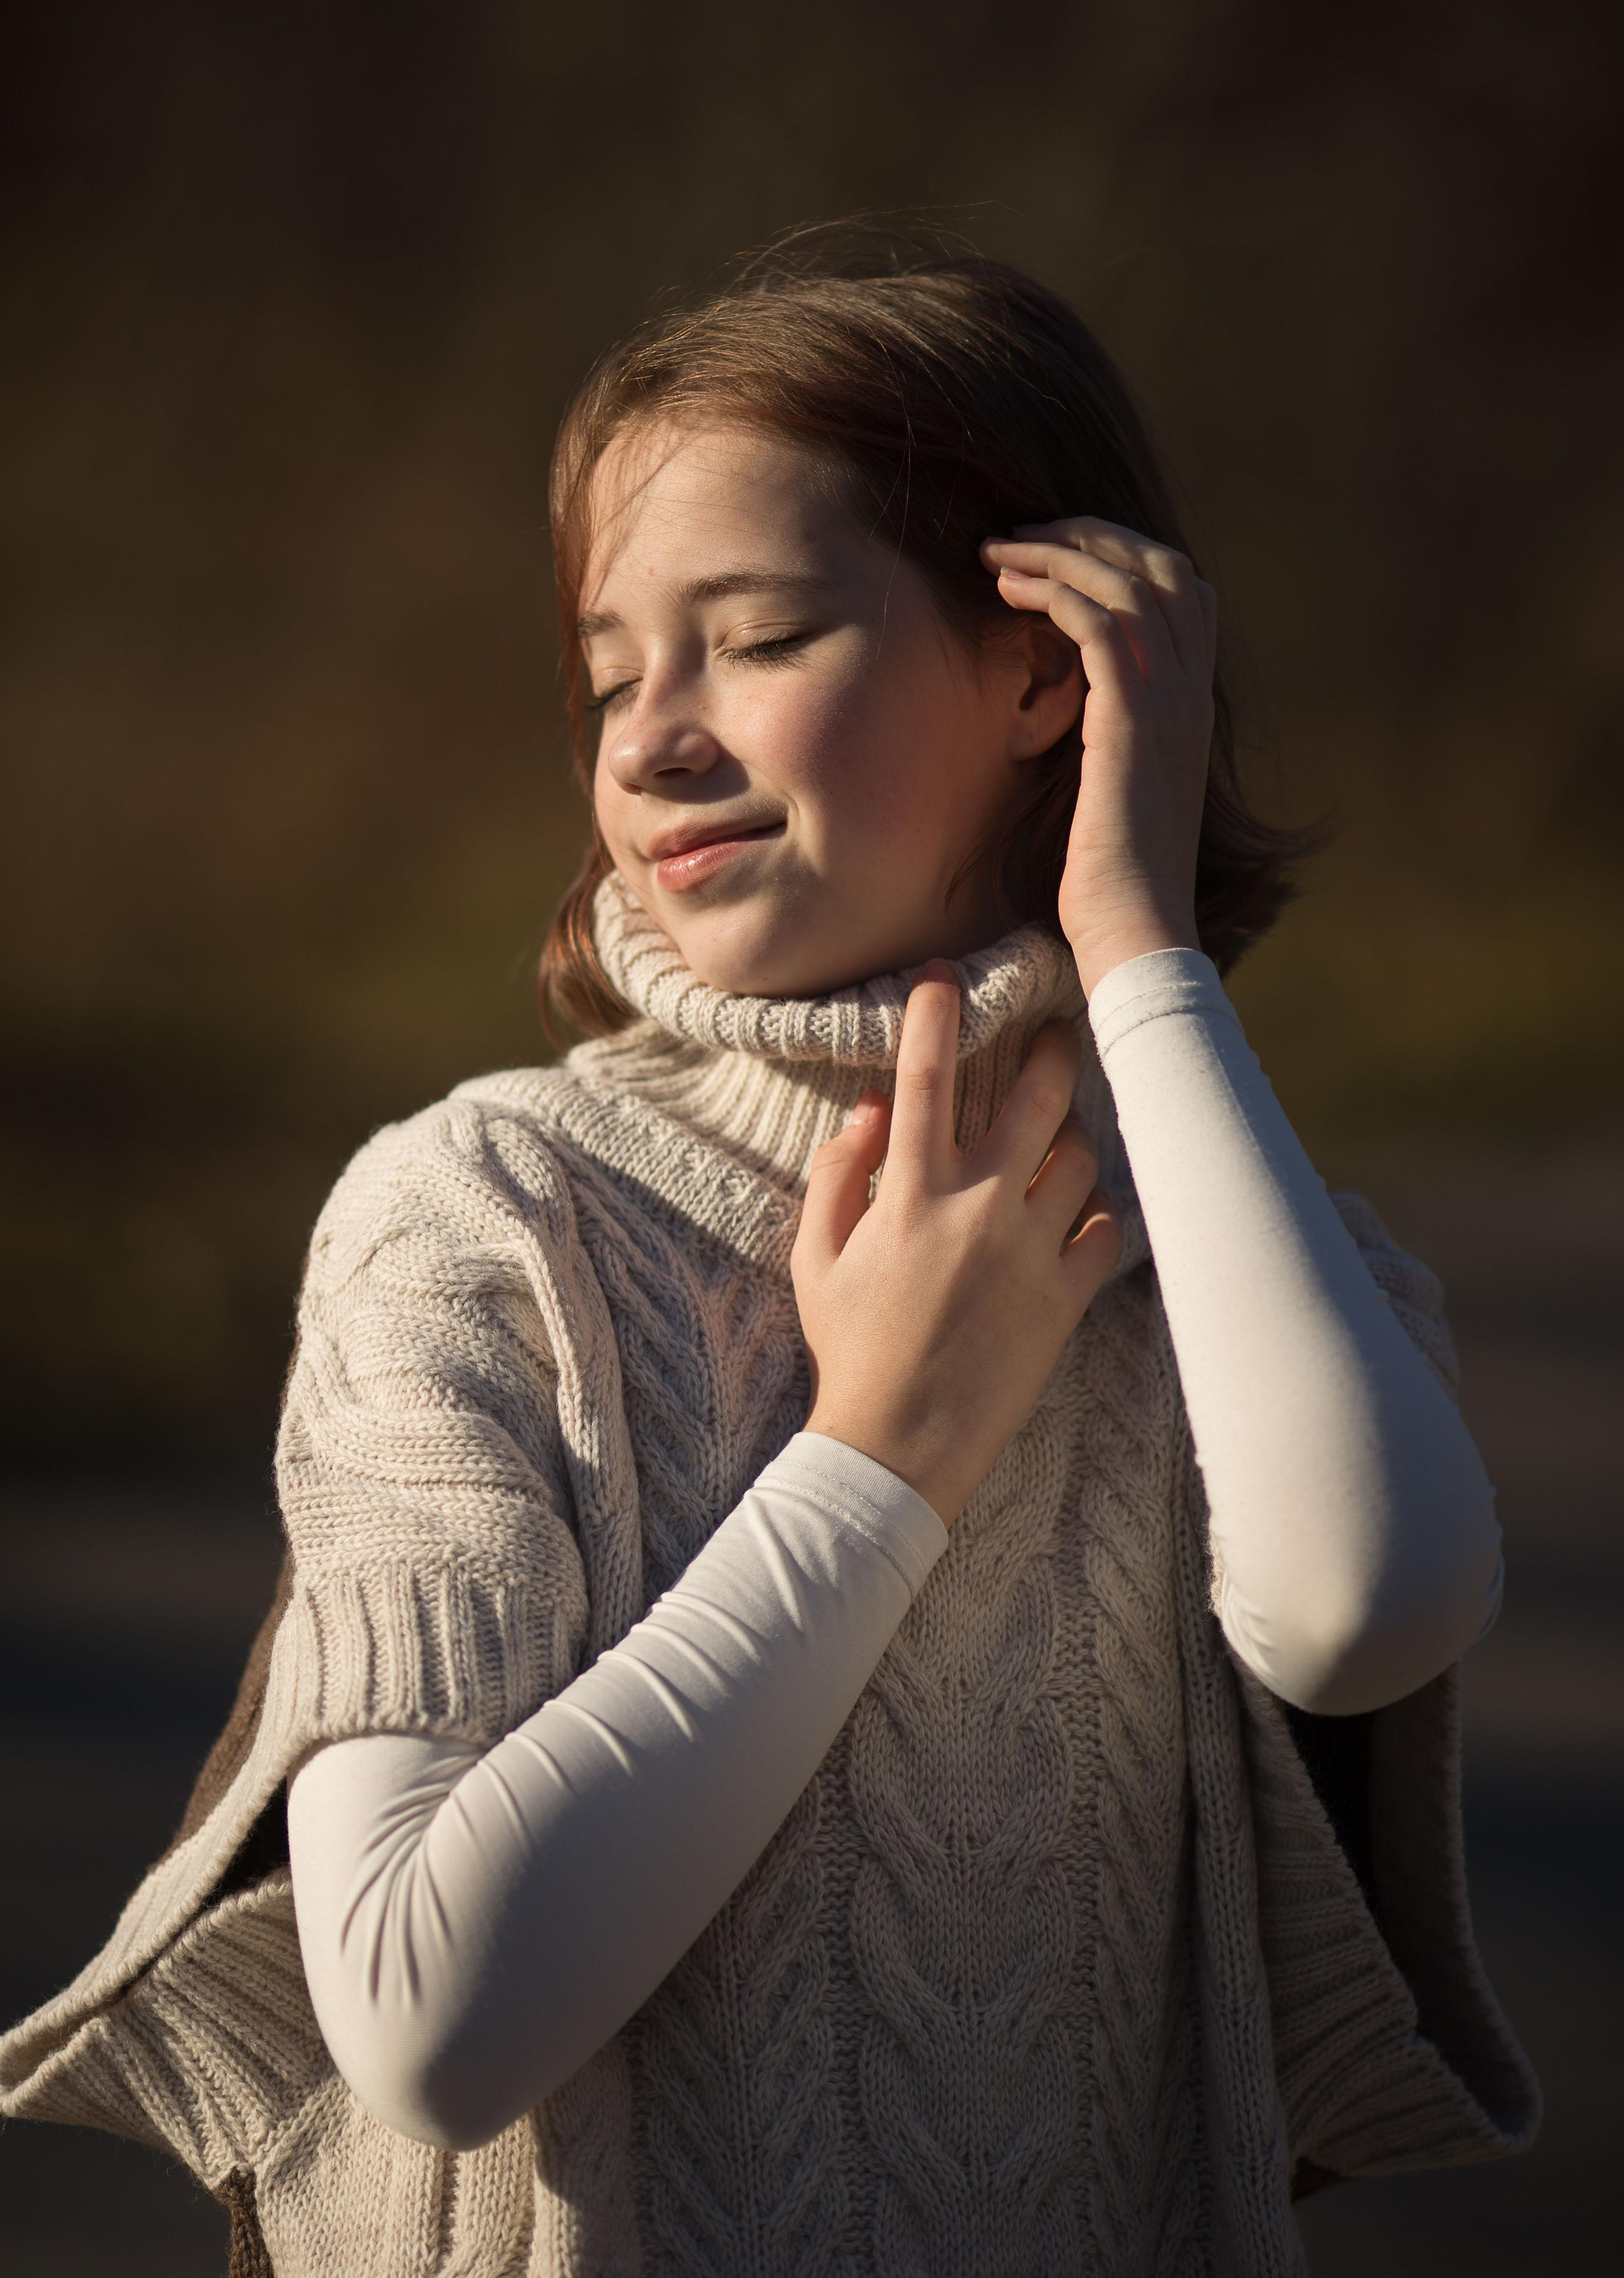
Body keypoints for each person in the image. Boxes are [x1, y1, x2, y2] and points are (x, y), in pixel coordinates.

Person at [0, 232, 1538, 2275]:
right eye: (608, 675)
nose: (649, 741)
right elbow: (432, 2022)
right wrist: (887, 1451)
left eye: (757, 637)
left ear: (1046, 672)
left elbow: (1367, 1604)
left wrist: (1139, 940)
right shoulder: (484, 1211)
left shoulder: (1236, 1240)